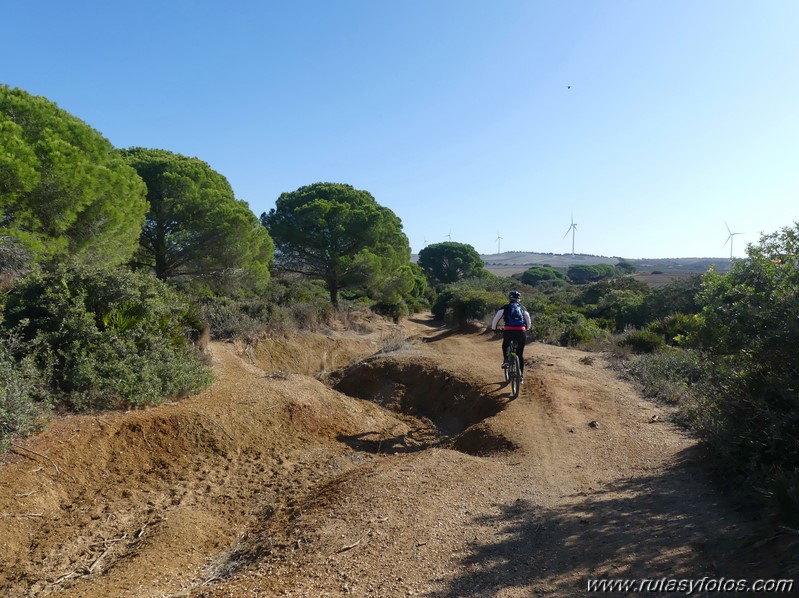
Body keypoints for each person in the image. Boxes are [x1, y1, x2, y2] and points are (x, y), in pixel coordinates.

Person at [491, 290, 532, 382]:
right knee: (520, 354)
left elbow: (496, 318)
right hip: (521, 331)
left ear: (509, 298)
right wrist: (527, 329)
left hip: (509, 330)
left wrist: (494, 329)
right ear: (519, 299)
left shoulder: (505, 307)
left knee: (506, 343)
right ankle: (520, 377)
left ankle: (506, 360)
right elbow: (528, 320)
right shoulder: (523, 308)